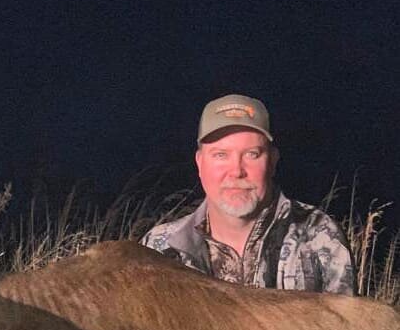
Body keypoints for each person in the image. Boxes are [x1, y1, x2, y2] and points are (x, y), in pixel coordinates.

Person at [142, 94, 356, 295]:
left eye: (252, 154)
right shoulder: (158, 248)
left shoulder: (319, 234)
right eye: (220, 155)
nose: (236, 171)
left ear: (272, 161)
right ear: (199, 163)